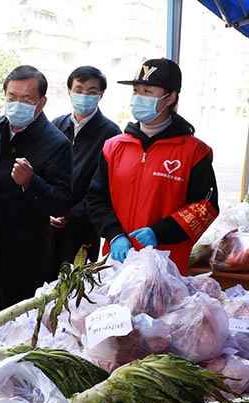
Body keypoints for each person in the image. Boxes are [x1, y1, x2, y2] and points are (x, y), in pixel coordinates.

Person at [88, 58, 218, 274]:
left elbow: (206, 206)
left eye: (147, 91)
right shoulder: (113, 147)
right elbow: (96, 199)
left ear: (170, 98)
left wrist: (160, 232)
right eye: (136, 91)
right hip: (117, 263)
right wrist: (115, 235)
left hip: (165, 267)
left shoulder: (194, 152)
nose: (139, 98)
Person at [0, 64, 73, 318]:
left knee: (17, 327)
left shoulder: (56, 143)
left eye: (26, 99)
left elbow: (61, 203)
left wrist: (31, 182)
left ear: (41, 103)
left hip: (24, 255)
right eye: (12, 98)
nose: (17, 104)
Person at [47, 66, 121, 274]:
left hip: (84, 229)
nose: (84, 96)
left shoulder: (111, 134)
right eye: (79, 90)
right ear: (69, 90)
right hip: (49, 225)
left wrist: (70, 215)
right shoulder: (55, 126)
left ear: (101, 95)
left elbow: (104, 187)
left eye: (91, 92)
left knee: (75, 289)